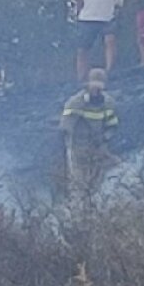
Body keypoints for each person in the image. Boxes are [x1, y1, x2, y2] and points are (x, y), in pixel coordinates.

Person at [62, 0, 124, 81]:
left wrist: (118, 5)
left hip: (108, 16)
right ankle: (81, 76)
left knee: (110, 41)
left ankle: (109, 71)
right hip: (88, 17)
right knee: (83, 48)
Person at [59, 67, 119, 198]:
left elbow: (112, 125)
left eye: (99, 88)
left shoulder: (109, 103)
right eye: (94, 87)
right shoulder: (75, 102)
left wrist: (105, 138)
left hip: (98, 147)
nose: (96, 91)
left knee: (98, 181)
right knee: (79, 183)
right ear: (87, 85)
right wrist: (70, 145)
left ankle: (94, 205)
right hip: (78, 148)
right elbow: (66, 127)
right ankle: (78, 209)